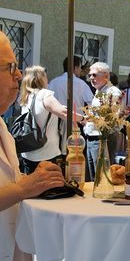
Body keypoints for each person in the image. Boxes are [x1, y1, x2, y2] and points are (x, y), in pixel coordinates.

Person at [0, 31, 64, 261]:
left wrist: (37, 182)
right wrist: (26, 187)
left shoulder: (2, 126)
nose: (18, 75)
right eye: (10, 67)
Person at [19, 66, 84, 174]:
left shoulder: (26, 97)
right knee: (48, 188)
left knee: (33, 188)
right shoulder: (44, 94)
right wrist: (83, 119)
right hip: (46, 153)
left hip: (28, 152)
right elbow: (63, 112)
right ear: (41, 78)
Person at [48, 56, 93, 155]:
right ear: (76, 68)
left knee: (59, 154)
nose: (80, 70)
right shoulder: (81, 84)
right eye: (80, 67)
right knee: (75, 156)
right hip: (76, 122)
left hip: (56, 124)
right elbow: (91, 103)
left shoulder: (54, 82)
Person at [84, 62, 122, 181]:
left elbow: (112, 118)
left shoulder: (112, 92)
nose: (91, 78)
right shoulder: (99, 91)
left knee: (101, 177)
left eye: (94, 75)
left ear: (105, 76)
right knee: (93, 177)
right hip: (92, 137)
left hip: (103, 139)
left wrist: (89, 119)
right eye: (90, 75)